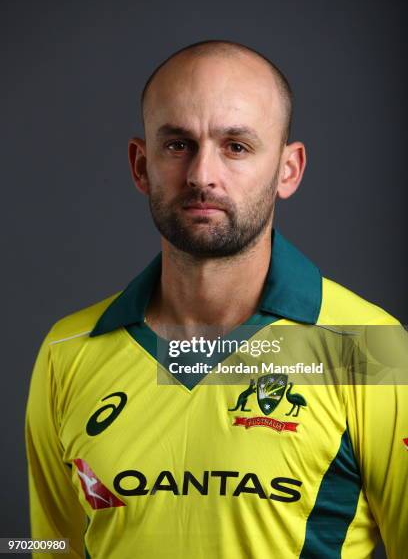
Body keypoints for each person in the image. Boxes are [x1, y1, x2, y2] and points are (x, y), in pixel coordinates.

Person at [26, 40, 407, 559]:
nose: (203, 175)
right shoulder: (67, 351)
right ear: (141, 165)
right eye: (179, 144)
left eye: (237, 146)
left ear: (288, 170)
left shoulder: (372, 351)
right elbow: (48, 543)